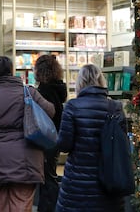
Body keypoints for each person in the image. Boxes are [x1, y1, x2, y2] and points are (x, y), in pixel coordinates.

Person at [0, 56, 55, 212]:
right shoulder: (29, 92)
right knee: (21, 204)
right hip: (27, 158)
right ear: (11, 71)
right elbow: (50, 111)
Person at [56, 64, 125, 211]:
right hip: (109, 179)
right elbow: (122, 142)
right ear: (101, 80)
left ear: (80, 82)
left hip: (77, 183)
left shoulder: (72, 106)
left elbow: (64, 145)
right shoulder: (115, 107)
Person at [34, 54, 67, 212]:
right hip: (56, 137)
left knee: (47, 179)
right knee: (50, 176)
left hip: (44, 138)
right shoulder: (59, 88)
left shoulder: (44, 90)